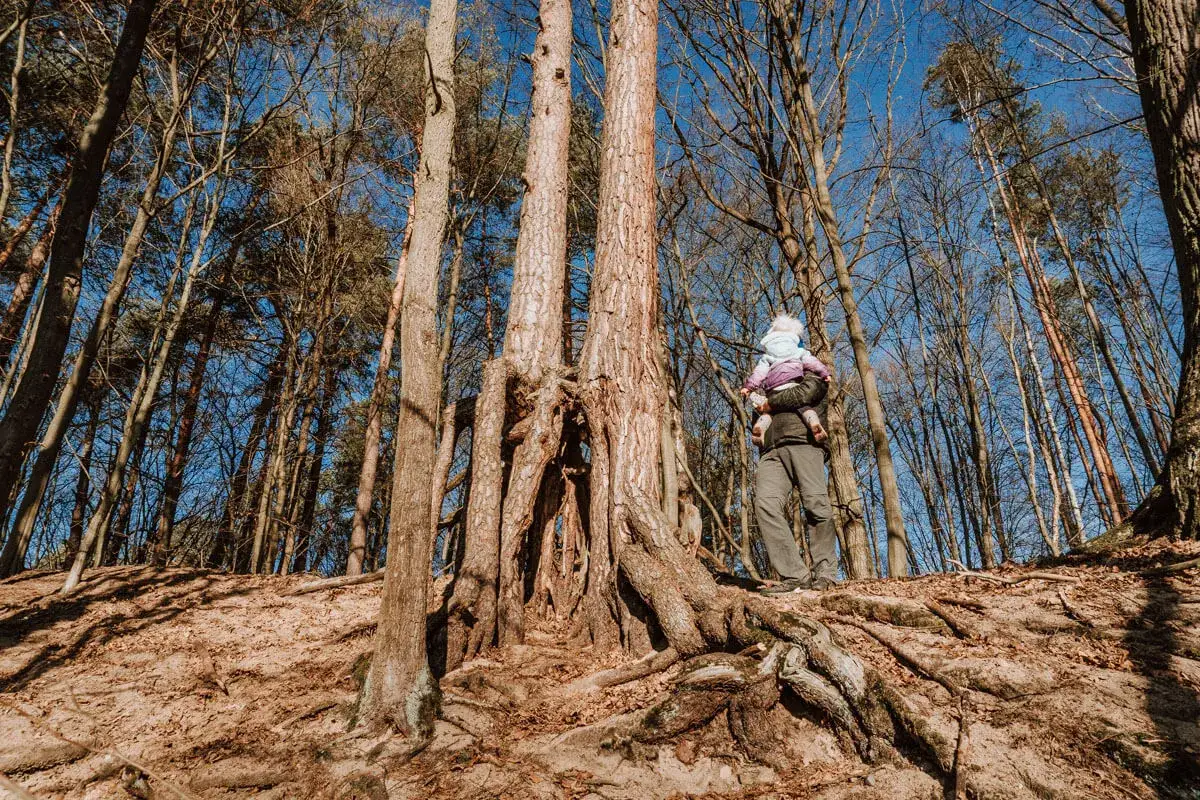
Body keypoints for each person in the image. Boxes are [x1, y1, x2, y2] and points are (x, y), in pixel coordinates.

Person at [746, 322, 839, 594]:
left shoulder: (811, 371)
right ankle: (794, 576)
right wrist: (761, 404)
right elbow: (757, 409)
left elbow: (805, 393)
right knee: (765, 505)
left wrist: (769, 403)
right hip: (771, 450)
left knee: (816, 505)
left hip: (805, 442)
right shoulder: (767, 377)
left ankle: (825, 574)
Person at [740, 316, 829, 447]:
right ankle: (814, 423)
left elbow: (759, 372)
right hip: (793, 383)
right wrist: (825, 373)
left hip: (773, 389)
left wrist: (749, 387)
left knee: (769, 412)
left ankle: (760, 428)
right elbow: (812, 362)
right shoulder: (798, 351)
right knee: (803, 407)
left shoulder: (768, 356)